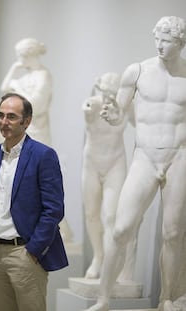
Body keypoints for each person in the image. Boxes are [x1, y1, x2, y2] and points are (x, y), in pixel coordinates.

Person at [85, 16, 186, 311]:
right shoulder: (138, 71)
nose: (160, 45)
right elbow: (119, 118)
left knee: (173, 233)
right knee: (121, 228)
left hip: (179, 156)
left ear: (180, 43)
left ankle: (166, 297)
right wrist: (112, 112)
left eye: (167, 41)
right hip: (145, 155)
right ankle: (104, 297)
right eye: (157, 38)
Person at [0, 93, 68, 311]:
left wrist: (34, 249)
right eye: (0, 116)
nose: (4, 122)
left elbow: (54, 208)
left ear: (26, 121)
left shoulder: (43, 155)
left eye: (11, 116)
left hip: (24, 253)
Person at [82, 72, 137, 280]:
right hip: (92, 164)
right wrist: (93, 108)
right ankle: (98, 256)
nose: (107, 97)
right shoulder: (92, 104)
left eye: (111, 93)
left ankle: (111, 265)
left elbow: (143, 125)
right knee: (91, 213)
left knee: (111, 216)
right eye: (103, 92)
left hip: (115, 163)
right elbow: (88, 112)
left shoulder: (125, 107)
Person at [0, 38, 53, 146]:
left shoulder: (43, 75)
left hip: (37, 129)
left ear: (28, 55)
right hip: (23, 129)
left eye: (19, 56)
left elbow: (35, 106)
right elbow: (4, 90)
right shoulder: (27, 77)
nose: (19, 60)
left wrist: (17, 87)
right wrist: (13, 69)